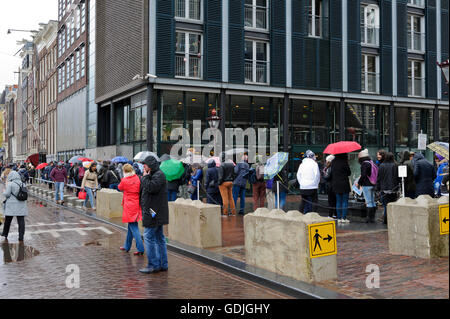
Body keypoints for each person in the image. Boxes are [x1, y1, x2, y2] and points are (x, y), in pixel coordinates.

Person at [139, 156, 169, 274]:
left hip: (154, 211)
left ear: (150, 165)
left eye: (145, 165)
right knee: (159, 238)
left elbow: (151, 188)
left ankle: (153, 265)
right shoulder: (156, 174)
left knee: (148, 236)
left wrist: (145, 177)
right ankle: (162, 264)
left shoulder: (158, 175)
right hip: (155, 210)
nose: (143, 167)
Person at [118, 164, 145, 255]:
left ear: (125, 171)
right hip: (136, 203)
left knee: (134, 227)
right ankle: (127, 246)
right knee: (131, 226)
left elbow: (119, 187)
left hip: (129, 204)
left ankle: (140, 248)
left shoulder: (125, 180)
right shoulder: (137, 178)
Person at [1, 171, 28, 243]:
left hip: (11, 205)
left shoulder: (10, 184)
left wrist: (4, 191)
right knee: (21, 222)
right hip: (21, 205)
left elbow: (7, 194)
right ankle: (21, 237)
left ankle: (5, 234)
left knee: (8, 221)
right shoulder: (23, 184)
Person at [376, 152, 400, 225]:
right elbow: (398, 177)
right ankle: (392, 218)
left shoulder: (382, 166)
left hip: (384, 188)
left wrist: (378, 187)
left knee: (386, 205)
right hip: (394, 188)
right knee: (392, 204)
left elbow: (379, 178)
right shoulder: (396, 165)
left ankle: (386, 220)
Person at [356, 149, 377, 223]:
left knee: (368, 201)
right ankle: (373, 218)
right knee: (372, 200)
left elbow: (364, 175)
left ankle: (369, 218)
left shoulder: (364, 164)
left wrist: (359, 183)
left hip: (366, 185)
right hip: (373, 184)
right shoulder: (371, 162)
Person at [330, 153, 351, 223]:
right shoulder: (344, 162)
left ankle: (338, 218)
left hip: (336, 184)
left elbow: (332, 173)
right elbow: (349, 173)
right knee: (345, 201)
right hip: (344, 183)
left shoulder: (333, 162)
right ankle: (344, 218)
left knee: (338, 201)